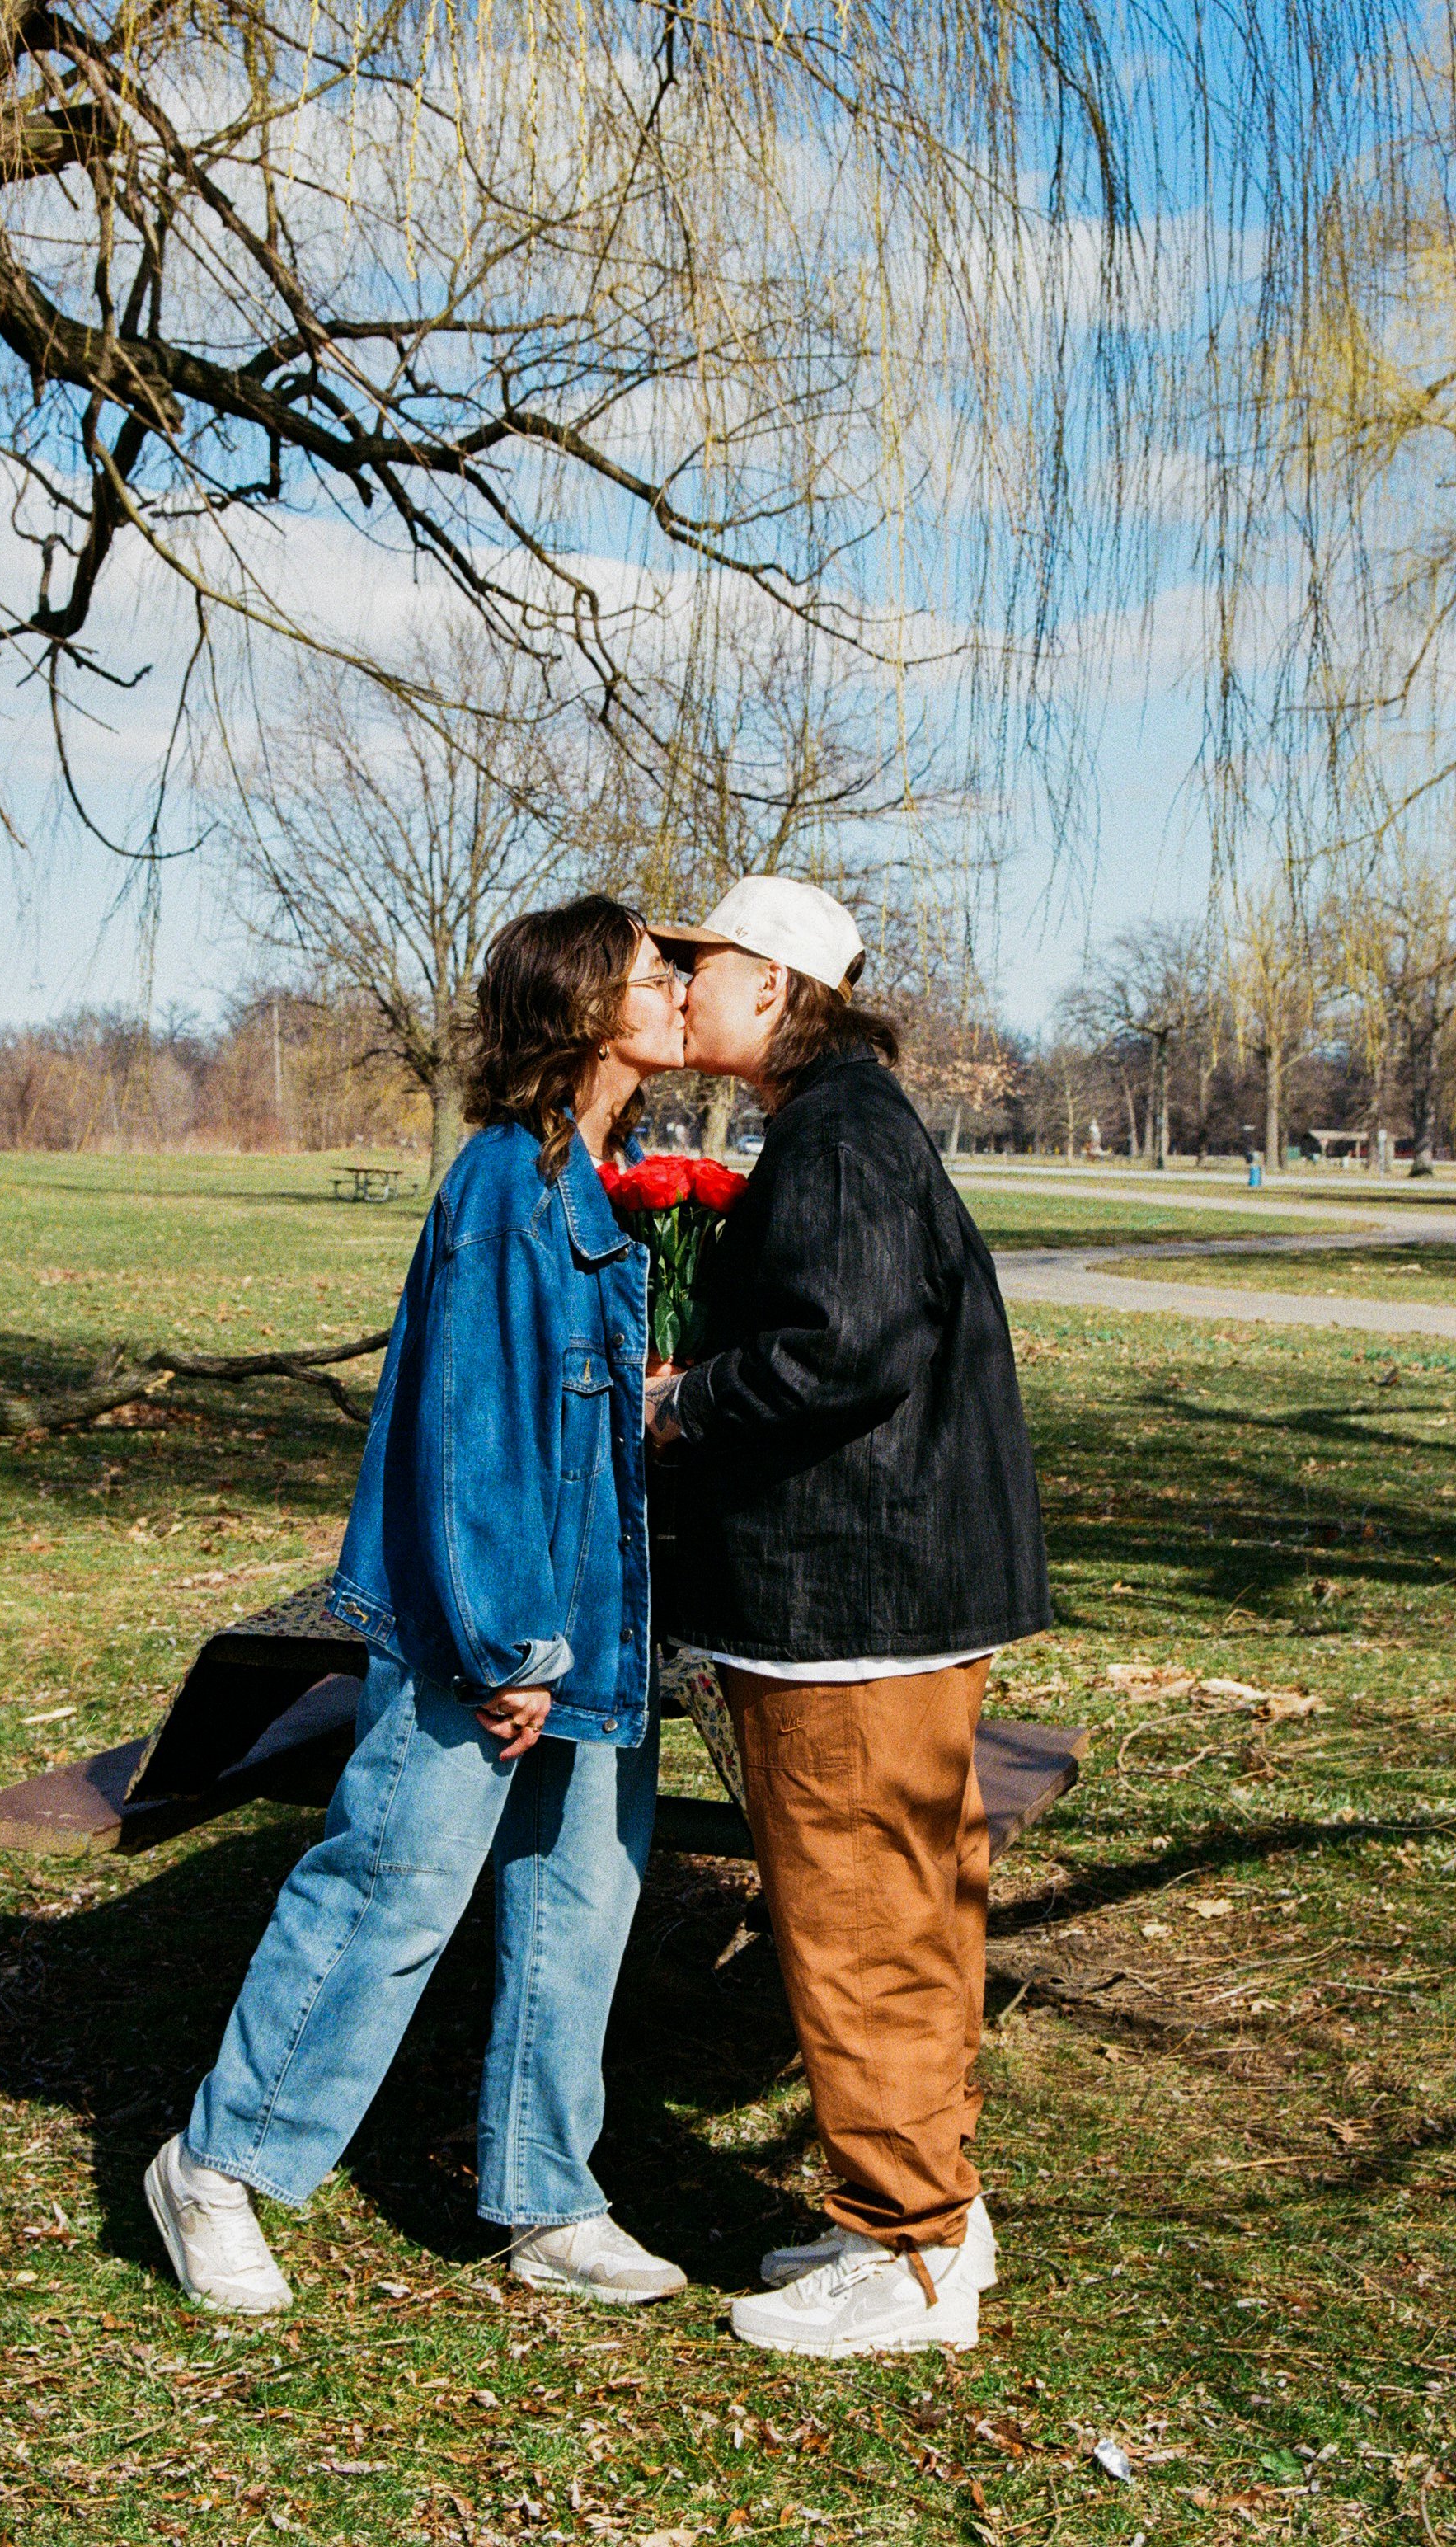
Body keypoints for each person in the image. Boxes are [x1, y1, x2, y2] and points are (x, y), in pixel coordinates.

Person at [146, 897, 689, 2314]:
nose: (681, 991)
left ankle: (549, 2196)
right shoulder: (508, 1186)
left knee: (581, 1901)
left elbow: (576, 1428)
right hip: (489, 1633)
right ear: (583, 1009)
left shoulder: (608, 1180)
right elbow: (473, 1442)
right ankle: (216, 2165)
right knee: (391, 1888)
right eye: (654, 973)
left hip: (594, 1633)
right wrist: (508, 1644)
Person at [646, 876, 1051, 2358]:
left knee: (859, 1920)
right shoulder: (850, 1121)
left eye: (696, 966)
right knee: (919, 1905)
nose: (677, 985)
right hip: (891, 1594)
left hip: (850, 1601)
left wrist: (681, 1403)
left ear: (770, 981)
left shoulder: (835, 1135)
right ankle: (931, 2207)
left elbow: (842, 1350)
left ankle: (912, 2258)